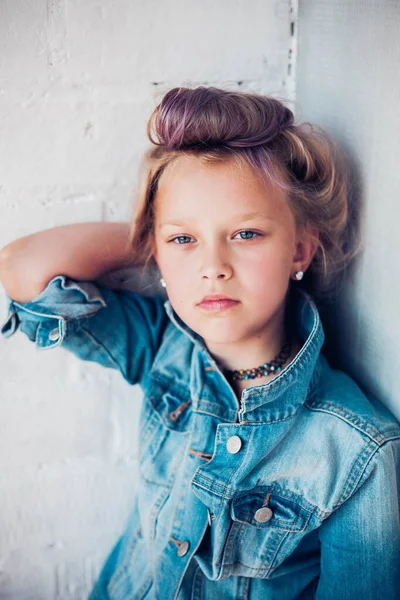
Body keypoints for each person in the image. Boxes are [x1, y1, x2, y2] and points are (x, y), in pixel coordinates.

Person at [0, 86, 399, 600]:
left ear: (299, 250)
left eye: (247, 234)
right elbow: (22, 271)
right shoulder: (161, 347)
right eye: (184, 240)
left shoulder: (358, 453)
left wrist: (181, 233)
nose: (213, 267)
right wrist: (158, 236)